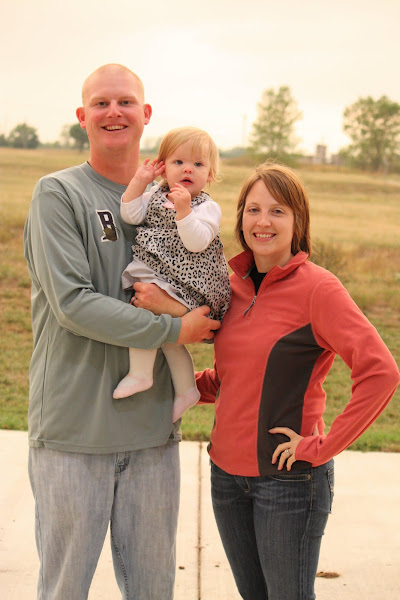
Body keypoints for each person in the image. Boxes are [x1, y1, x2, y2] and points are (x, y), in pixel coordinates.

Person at [23, 63, 220, 600]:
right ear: (82, 116)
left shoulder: (176, 198)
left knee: (153, 589)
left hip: (152, 431)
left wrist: (195, 323)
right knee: (64, 589)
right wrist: (174, 328)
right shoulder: (58, 194)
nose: (114, 112)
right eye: (102, 103)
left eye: (126, 101)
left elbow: (205, 284)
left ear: (145, 114)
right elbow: (73, 305)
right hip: (75, 432)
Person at [192, 162, 400, 600]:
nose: (262, 221)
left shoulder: (319, 289)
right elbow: (231, 377)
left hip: (287, 483)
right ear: (240, 218)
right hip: (226, 478)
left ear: (297, 220)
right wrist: (175, 386)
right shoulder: (229, 286)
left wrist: (322, 446)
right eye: (253, 209)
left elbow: (380, 372)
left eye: (277, 210)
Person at [113, 127, 231, 423]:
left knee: (146, 318)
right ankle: (187, 389)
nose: (188, 169)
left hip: (188, 283)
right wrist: (140, 182)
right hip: (159, 277)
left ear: (210, 175)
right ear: (163, 168)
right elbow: (129, 214)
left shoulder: (207, 208)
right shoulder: (154, 193)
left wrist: (184, 211)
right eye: (179, 162)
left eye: (198, 164)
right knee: (169, 338)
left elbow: (197, 242)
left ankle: (141, 373)